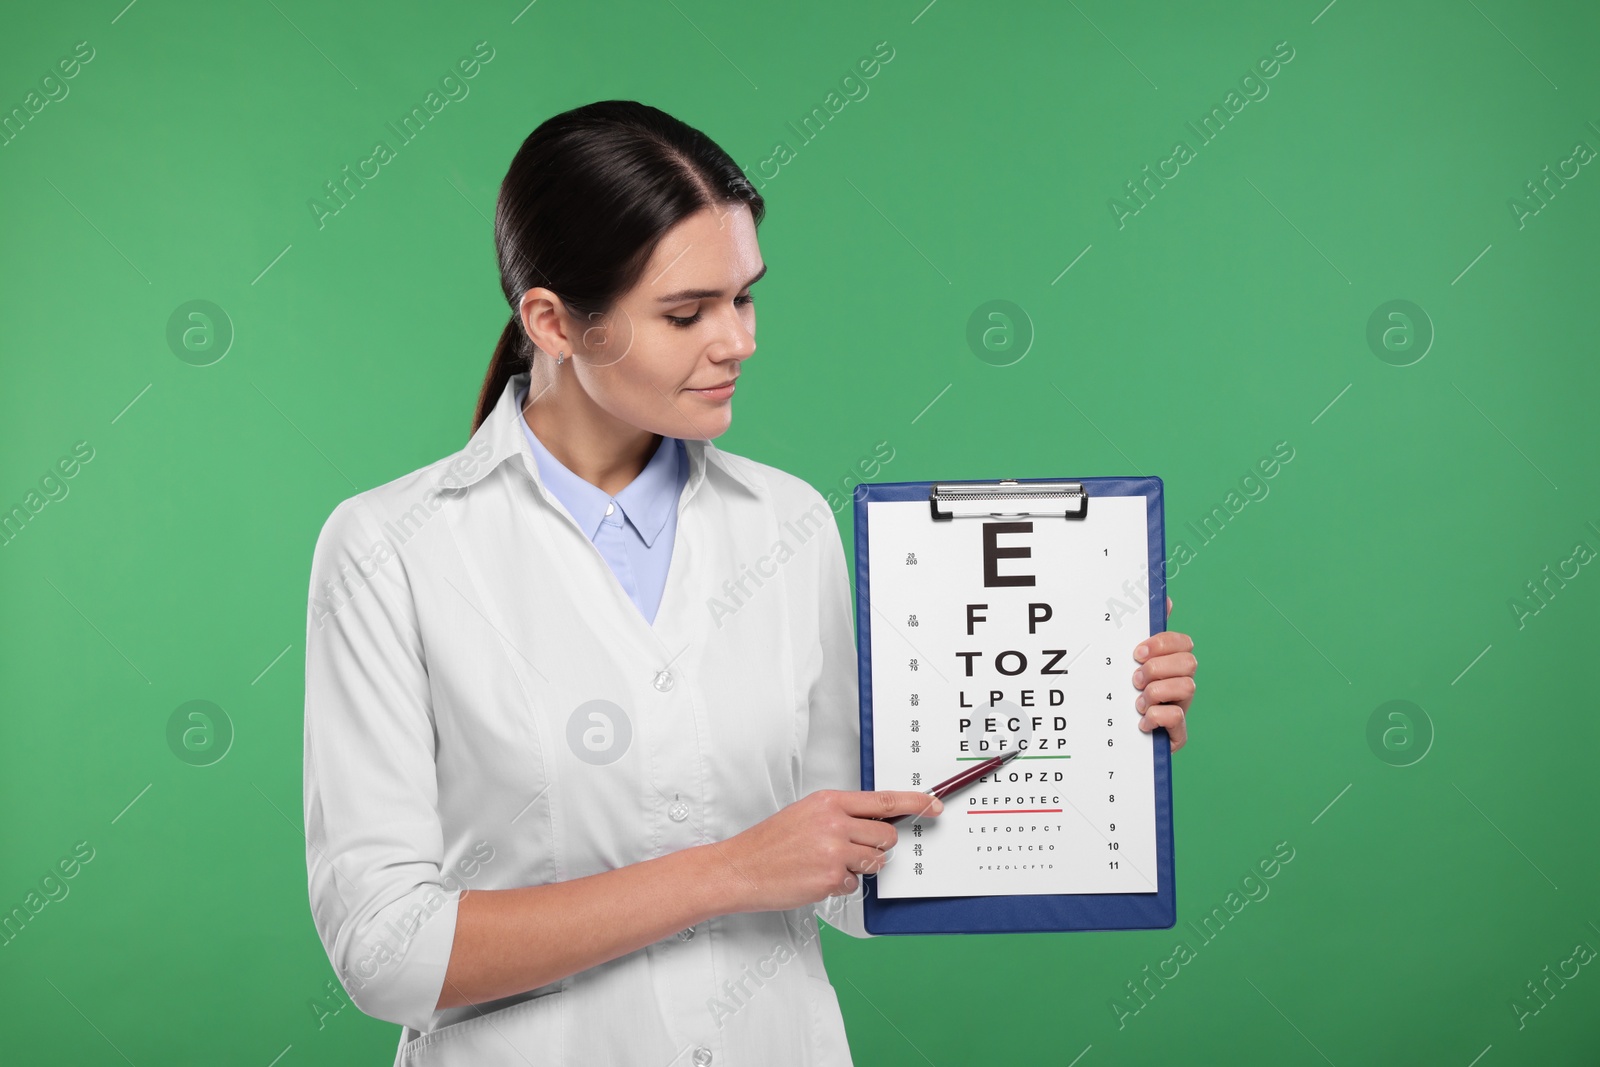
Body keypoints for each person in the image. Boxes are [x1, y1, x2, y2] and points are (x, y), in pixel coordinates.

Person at [302, 99, 1198, 1067]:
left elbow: (848, 877)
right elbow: (384, 950)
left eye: (745, 296)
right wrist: (724, 872)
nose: (738, 340)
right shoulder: (389, 550)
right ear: (554, 322)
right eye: (687, 313)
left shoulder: (790, 525)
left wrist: (1082, 719)